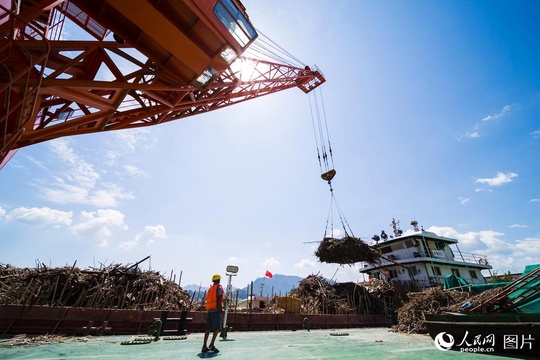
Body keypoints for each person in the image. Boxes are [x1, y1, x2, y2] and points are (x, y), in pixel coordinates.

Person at [201, 274, 224, 353]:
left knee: (208, 328)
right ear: (219, 280)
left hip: (210, 310)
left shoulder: (210, 288)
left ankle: (204, 346)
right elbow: (219, 300)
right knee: (217, 328)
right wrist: (221, 310)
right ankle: (212, 344)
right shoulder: (219, 287)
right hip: (216, 310)